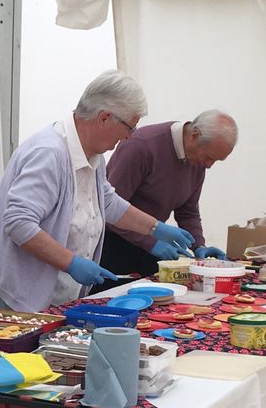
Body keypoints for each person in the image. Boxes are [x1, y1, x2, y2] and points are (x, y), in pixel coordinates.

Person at [0, 70, 195, 313]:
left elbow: (106, 202)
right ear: (105, 118)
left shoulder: (93, 154)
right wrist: (72, 262)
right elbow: (18, 223)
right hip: (13, 285)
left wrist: (155, 228)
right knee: (15, 348)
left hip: (51, 285)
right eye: (130, 126)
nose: (130, 136)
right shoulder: (49, 153)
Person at [99, 110, 238, 281]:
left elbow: (188, 212)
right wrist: (151, 242)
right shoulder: (141, 146)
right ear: (195, 135)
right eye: (209, 157)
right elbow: (109, 209)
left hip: (149, 245)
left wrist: (199, 246)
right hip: (112, 245)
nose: (208, 166)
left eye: (216, 161)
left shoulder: (196, 159)